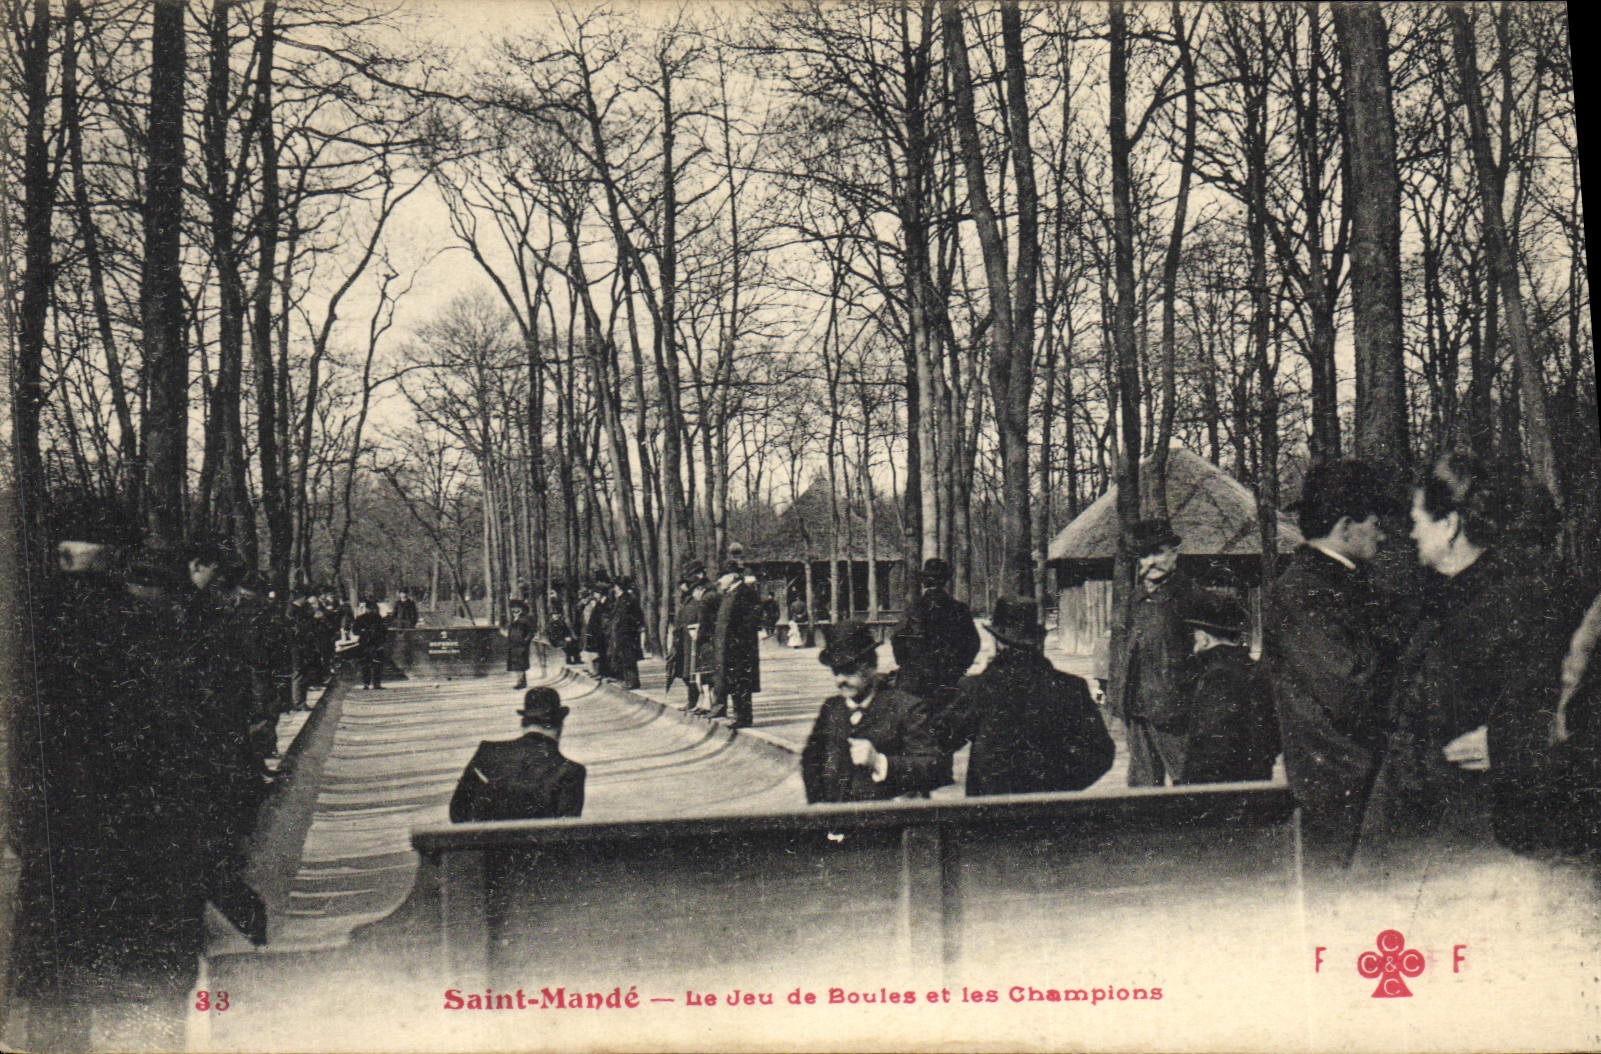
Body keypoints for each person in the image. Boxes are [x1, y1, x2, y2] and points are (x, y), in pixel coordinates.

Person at [1356, 454, 1568, 864]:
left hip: (1480, 834)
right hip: (1435, 829)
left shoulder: (1513, 603)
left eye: (1418, 520)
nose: (1412, 534)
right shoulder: (1444, 600)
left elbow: (1557, 705)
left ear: (1450, 525)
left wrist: (1511, 742)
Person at [1263, 459, 1402, 867]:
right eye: (1375, 523)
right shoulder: (1304, 592)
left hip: (1356, 777)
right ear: (1345, 526)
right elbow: (1348, 689)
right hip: (1340, 783)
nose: (1383, 534)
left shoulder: (1340, 583)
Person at [938, 597, 1114, 796]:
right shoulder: (1071, 687)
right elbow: (1101, 753)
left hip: (990, 808)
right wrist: (1062, 785)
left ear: (998, 641)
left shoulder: (978, 688)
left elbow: (940, 739)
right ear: (1038, 640)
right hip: (1052, 808)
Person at [802, 621, 942, 803]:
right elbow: (811, 762)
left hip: (886, 817)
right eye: (836, 672)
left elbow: (932, 767)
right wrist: (819, 807)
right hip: (837, 817)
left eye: (850, 671)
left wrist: (879, 762)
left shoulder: (906, 707)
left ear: (872, 667)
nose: (840, 680)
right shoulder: (832, 708)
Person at [1110, 518, 1202, 787]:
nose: (1151, 562)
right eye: (1144, 555)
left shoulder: (1190, 596)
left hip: (1176, 711)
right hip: (1137, 708)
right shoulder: (1135, 598)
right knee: (1143, 786)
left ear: (1174, 554)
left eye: (1158, 553)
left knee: (1188, 781)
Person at [891, 557, 981, 784]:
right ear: (946, 581)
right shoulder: (959, 610)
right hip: (947, 679)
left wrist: (908, 665)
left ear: (924, 582)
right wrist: (959, 667)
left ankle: (920, 775)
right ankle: (943, 773)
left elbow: (897, 640)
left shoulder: (913, 609)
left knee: (916, 725)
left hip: (915, 680)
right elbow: (973, 643)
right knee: (945, 724)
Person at [1177, 592, 1279, 784]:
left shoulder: (1217, 678)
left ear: (1203, 638)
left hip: (1219, 789)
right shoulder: (1254, 670)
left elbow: (1212, 748)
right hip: (1258, 781)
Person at [449, 687, 586, 821]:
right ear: (560, 725)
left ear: (523, 723)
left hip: (485, 836)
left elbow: (457, 811)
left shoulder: (487, 752)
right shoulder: (570, 771)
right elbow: (566, 829)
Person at [712, 562, 762, 727]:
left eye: (722, 577)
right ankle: (738, 715)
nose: (719, 581)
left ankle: (743, 717)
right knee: (733, 681)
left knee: (741, 681)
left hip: (740, 648)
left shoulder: (745, 593)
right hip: (729, 647)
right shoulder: (730, 593)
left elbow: (751, 621)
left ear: (733, 576)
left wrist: (737, 641)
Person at [608, 575, 646, 690]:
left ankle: (632, 682)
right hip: (623, 633)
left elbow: (631, 616)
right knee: (624, 657)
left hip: (627, 634)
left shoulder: (626, 600)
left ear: (619, 587)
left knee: (628, 657)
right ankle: (628, 680)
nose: (614, 588)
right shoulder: (622, 599)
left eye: (615, 586)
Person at [354, 598, 389, 690]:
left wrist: (381, 640)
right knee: (367, 664)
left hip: (374, 643)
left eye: (372, 608)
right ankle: (369, 684)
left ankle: (373, 684)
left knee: (375, 663)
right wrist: (363, 631)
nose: (371, 610)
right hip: (366, 643)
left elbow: (384, 631)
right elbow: (355, 631)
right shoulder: (361, 618)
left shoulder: (377, 618)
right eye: (370, 608)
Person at [504, 597, 534, 690]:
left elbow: (531, 632)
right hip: (513, 645)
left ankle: (521, 682)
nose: (515, 610)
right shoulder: (514, 619)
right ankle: (521, 681)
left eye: (517, 608)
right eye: (513, 608)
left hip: (521, 645)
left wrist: (525, 641)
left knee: (520, 664)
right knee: (516, 664)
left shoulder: (526, 619)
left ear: (522, 609)